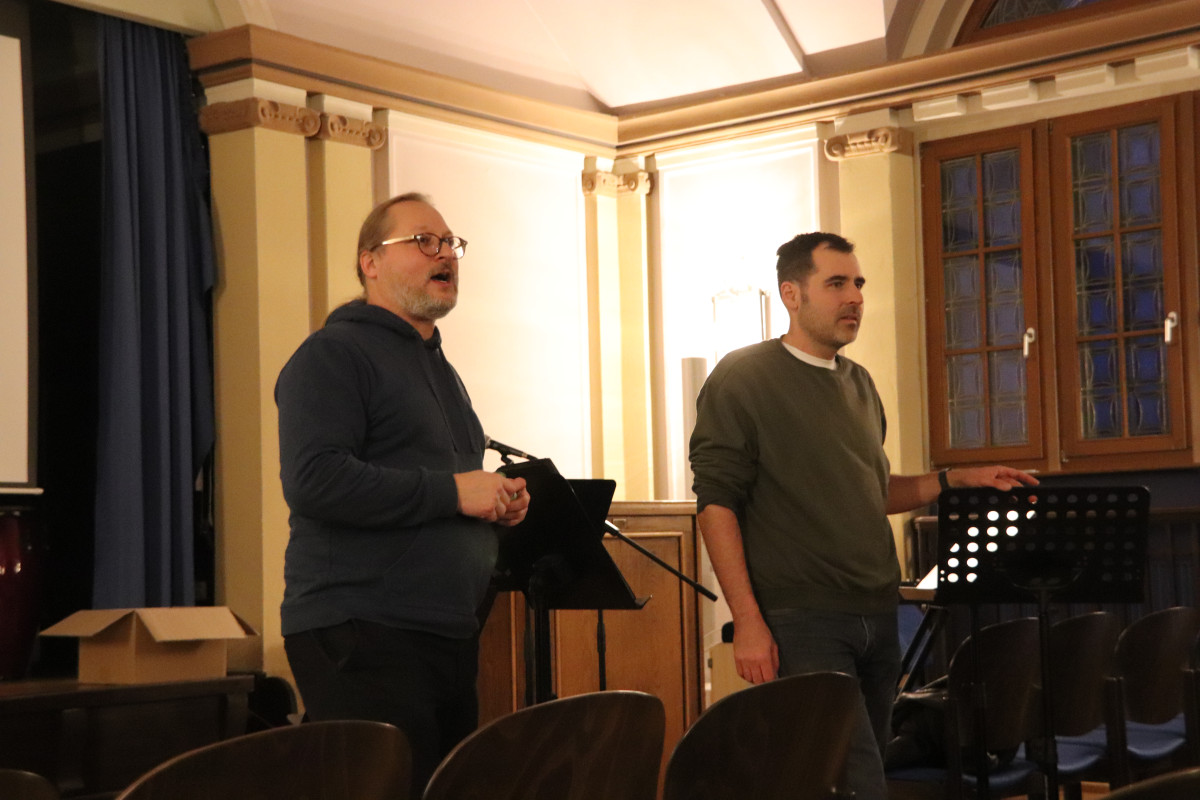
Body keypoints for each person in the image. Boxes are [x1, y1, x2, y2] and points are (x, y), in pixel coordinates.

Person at [688, 232, 1037, 800]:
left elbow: (871, 492)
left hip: (877, 609)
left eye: (858, 283)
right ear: (792, 295)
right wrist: (747, 619)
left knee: (854, 776)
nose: (854, 297)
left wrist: (955, 479)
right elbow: (716, 503)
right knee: (856, 780)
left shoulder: (858, 383)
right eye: (836, 284)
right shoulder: (744, 376)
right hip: (804, 617)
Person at [275, 192, 530, 794]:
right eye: (424, 241)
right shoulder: (332, 354)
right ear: (370, 262)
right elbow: (315, 480)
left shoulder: (442, 370)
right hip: (362, 627)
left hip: (447, 629)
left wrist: (496, 506)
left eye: (451, 243)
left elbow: (446, 490)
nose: (446, 254)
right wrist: (454, 494)